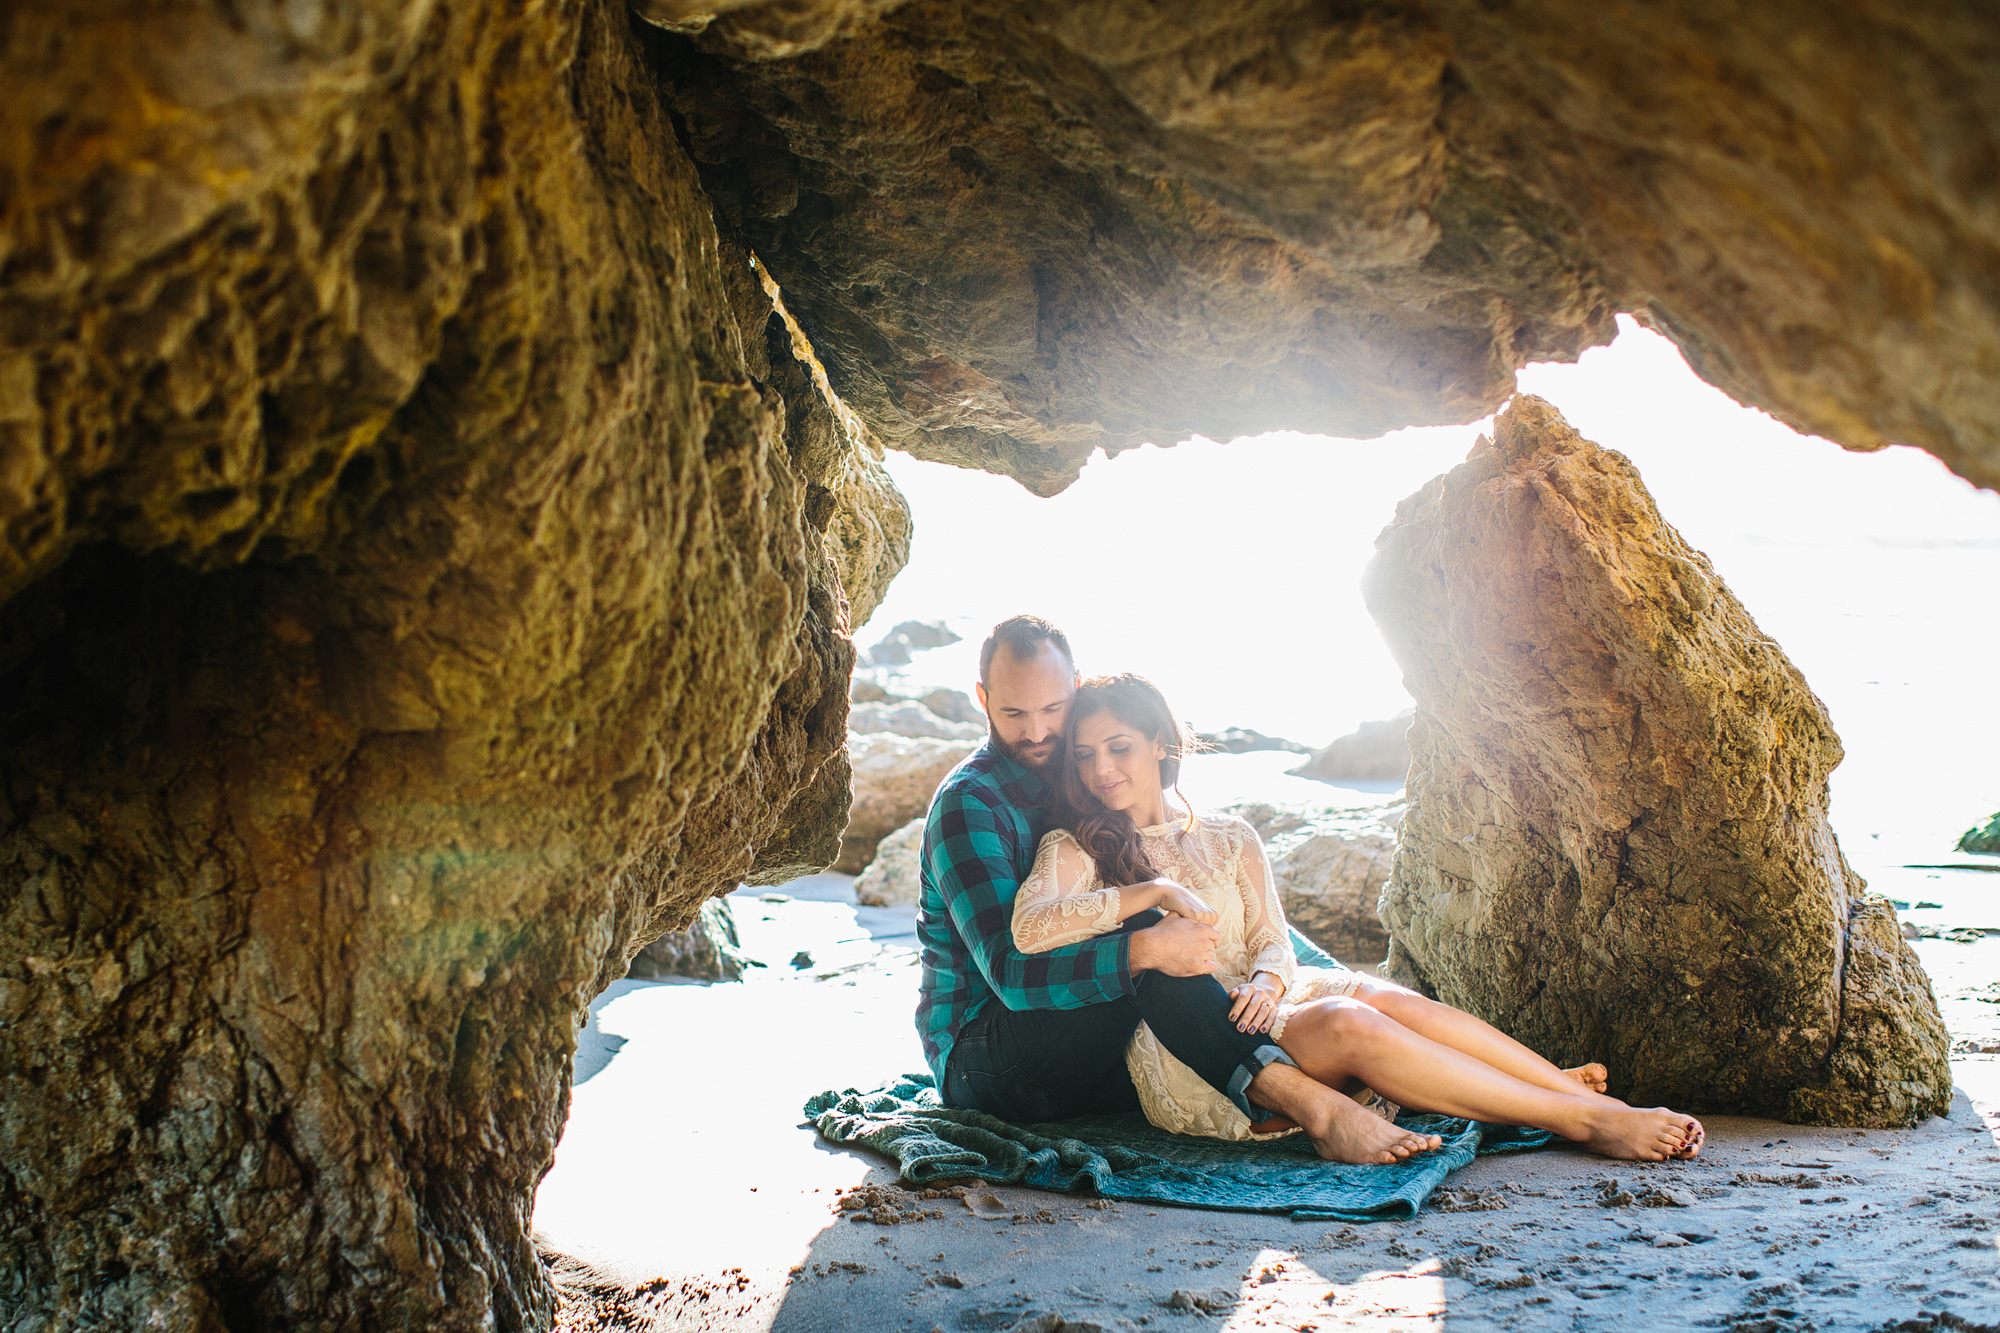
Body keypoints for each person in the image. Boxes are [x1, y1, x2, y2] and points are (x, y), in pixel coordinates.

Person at [1012, 672, 1705, 1163]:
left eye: (1119, 747)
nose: (1102, 769)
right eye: (1086, 754)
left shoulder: (1229, 834)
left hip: (1265, 1006)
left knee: (1375, 991)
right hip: (1196, 1053)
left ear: (1162, 744)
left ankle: (1557, 1085)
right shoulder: (1079, 846)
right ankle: (1582, 1117)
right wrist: (1148, 892)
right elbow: (1029, 928)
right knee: (1350, 1019)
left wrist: (1268, 982)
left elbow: (1274, 943)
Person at [915, 616, 1446, 1165]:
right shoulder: (969, 805)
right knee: (1144, 930)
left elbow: (1220, 906)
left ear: (1075, 687)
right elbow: (1009, 975)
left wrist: (1302, 975)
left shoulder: (1081, 767)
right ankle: (1316, 1109)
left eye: (1052, 710)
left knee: (1212, 956)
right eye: (1013, 714)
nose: (1036, 732)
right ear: (982, 699)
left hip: (1103, 1050)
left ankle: (1411, 1079)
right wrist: (1145, 946)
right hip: (987, 1057)